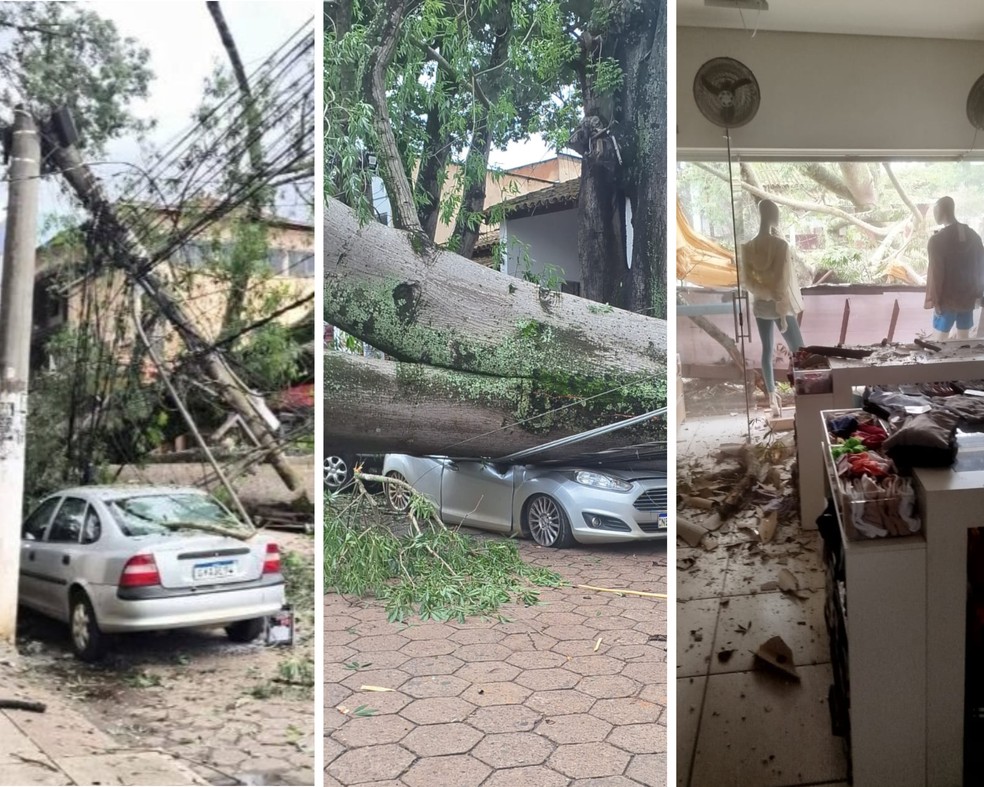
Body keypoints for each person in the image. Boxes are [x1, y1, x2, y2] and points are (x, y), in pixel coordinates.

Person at [739, 199, 805, 417]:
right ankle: (805, 394)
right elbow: (784, 280)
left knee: (767, 350)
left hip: (760, 303)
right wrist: (783, 301)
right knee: (800, 350)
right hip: (779, 304)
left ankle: (773, 400)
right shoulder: (780, 245)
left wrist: (763, 293)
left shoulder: (748, 248)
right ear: (773, 216)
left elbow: (748, 281)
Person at [925, 196, 984, 341]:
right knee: (964, 339)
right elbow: (980, 265)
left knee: (940, 340)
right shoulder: (974, 237)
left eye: (935, 211)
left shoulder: (937, 241)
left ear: (941, 211)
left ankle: (940, 365)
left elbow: (936, 274)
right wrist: (978, 292)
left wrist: (936, 300)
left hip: (947, 299)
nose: (934, 215)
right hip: (967, 298)